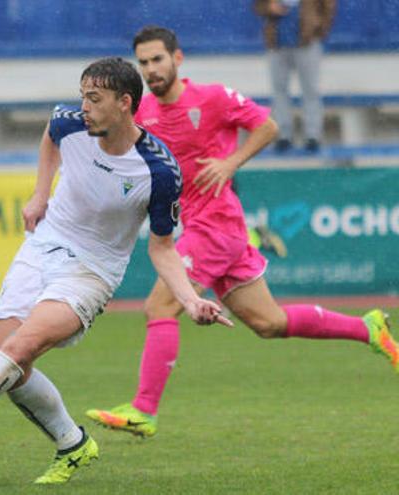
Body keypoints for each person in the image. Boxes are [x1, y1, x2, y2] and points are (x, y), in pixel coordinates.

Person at [0, 57, 231, 484]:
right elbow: (50, 138)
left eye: (94, 98)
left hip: (92, 271)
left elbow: (162, 248)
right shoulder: (68, 122)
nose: (83, 106)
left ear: (125, 103)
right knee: (13, 365)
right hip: (41, 246)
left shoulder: (159, 171)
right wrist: (39, 194)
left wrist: (191, 299)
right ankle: (72, 444)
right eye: (82, 96)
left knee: (18, 351)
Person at [85, 25, 397, 439]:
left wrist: (231, 162)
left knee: (160, 306)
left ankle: (143, 410)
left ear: (177, 59)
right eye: (143, 63)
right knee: (269, 323)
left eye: (157, 59)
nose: (151, 69)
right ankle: (367, 328)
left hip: (215, 225)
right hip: (211, 227)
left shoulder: (211, 98)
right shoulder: (144, 113)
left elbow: (269, 126)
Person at [254, 0, 336, 153]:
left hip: (306, 42)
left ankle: (313, 135)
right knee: (279, 91)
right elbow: (258, 5)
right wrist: (269, 8)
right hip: (277, 43)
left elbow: (328, 6)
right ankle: (283, 135)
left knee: (310, 90)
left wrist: (317, 28)